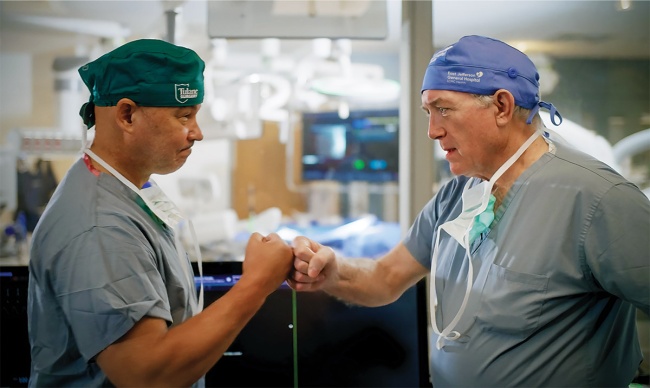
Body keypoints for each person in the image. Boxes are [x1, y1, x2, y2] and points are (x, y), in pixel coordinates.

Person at [289, 35, 650, 386]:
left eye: (444, 109)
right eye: (428, 112)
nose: (432, 131)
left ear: (501, 107)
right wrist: (333, 272)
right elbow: (385, 278)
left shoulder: (597, 199)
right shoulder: (456, 196)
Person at [27, 39, 294, 387]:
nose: (197, 132)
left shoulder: (128, 190)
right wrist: (256, 284)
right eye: (184, 116)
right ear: (126, 115)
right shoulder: (100, 227)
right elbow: (147, 375)